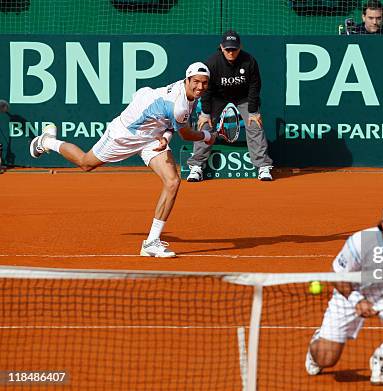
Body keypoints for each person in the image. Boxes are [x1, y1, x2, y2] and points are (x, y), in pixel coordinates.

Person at [29, 62, 216, 258]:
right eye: (196, 82)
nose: (200, 87)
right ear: (187, 80)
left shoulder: (189, 95)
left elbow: (171, 123)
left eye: (204, 83)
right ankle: (48, 141)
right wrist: (206, 136)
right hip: (124, 134)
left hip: (150, 135)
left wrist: (165, 137)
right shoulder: (179, 105)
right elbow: (185, 133)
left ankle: (151, 242)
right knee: (85, 163)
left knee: (172, 181)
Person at [305, 199, 383, 385]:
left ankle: (381, 358)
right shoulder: (360, 242)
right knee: (325, 358)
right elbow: (337, 275)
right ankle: (319, 340)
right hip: (352, 291)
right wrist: (357, 300)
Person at [187, 30, 273, 182]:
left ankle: (263, 166)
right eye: (227, 49)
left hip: (243, 97)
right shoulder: (212, 63)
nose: (231, 52)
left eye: (234, 49)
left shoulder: (249, 61)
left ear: (240, 47)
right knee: (205, 125)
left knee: (255, 123)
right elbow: (206, 89)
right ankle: (196, 167)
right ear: (221, 47)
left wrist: (253, 111)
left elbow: (255, 86)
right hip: (217, 97)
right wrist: (206, 113)